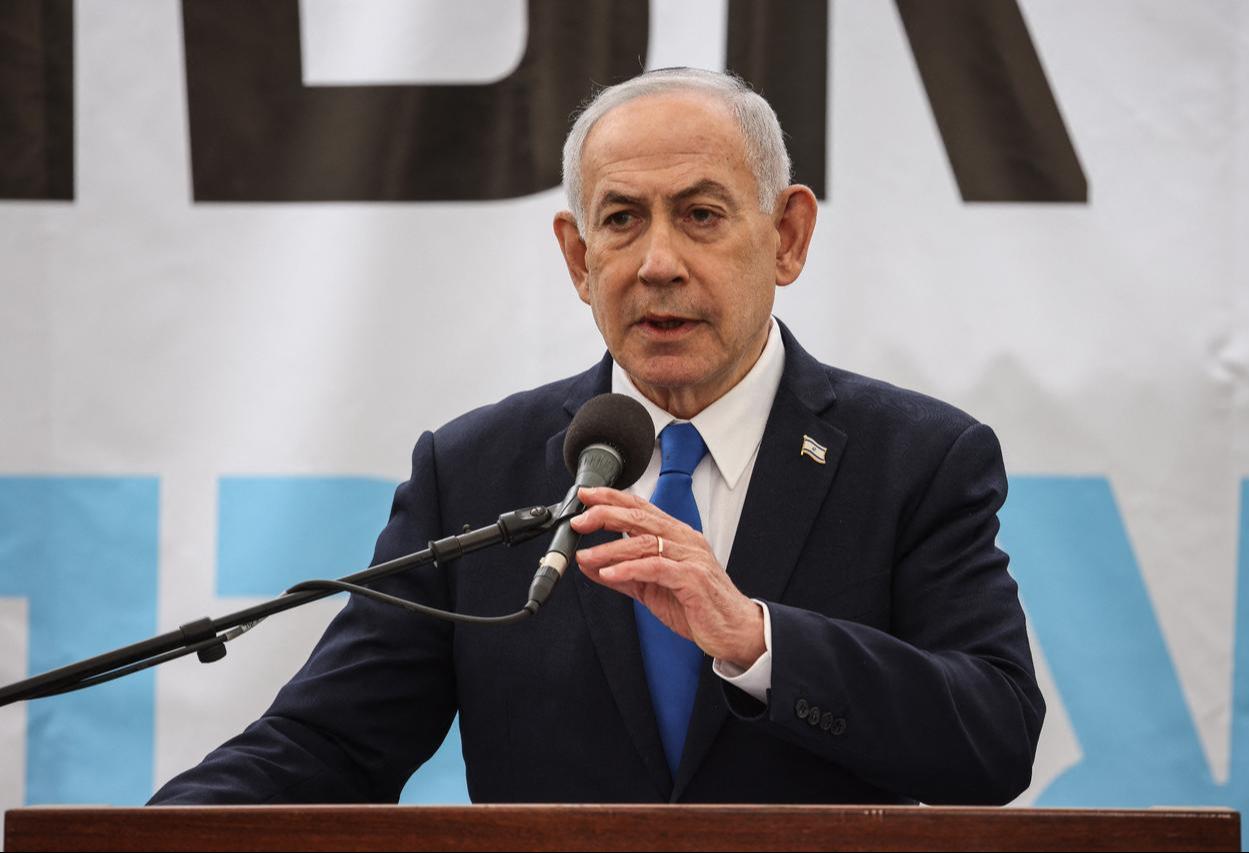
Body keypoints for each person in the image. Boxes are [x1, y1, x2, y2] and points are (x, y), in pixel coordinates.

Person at [151, 68, 1044, 806]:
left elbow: (994, 734)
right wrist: (141, 837)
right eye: (622, 220)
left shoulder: (917, 460)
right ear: (581, 259)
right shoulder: (472, 471)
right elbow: (332, 743)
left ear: (787, 237)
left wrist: (758, 641)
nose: (657, 262)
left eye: (701, 214)